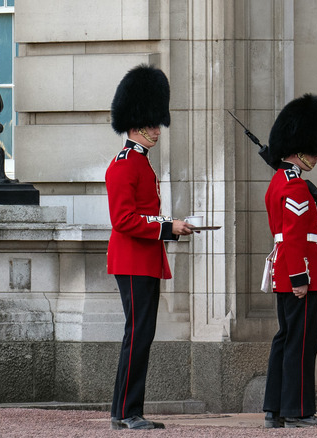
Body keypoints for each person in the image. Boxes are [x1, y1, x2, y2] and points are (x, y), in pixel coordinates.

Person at [106, 64, 194, 430]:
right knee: (137, 334)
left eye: (158, 124)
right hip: (131, 261)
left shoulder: (141, 163)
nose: (156, 131)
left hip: (144, 259)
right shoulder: (125, 165)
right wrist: (168, 226)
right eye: (150, 124)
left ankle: (129, 410)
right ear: (134, 122)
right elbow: (124, 221)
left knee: (142, 335)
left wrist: (170, 229)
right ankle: (125, 412)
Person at [262, 94, 317, 429]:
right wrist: (300, 278)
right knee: (302, 341)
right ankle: (298, 410)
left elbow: (301, 233)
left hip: (291, 269)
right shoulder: (293, 186)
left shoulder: (284, 181)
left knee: (286, 338)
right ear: (301, 147)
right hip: (299, 272)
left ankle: (275, 408)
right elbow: (292, 237)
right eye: (314, 150)